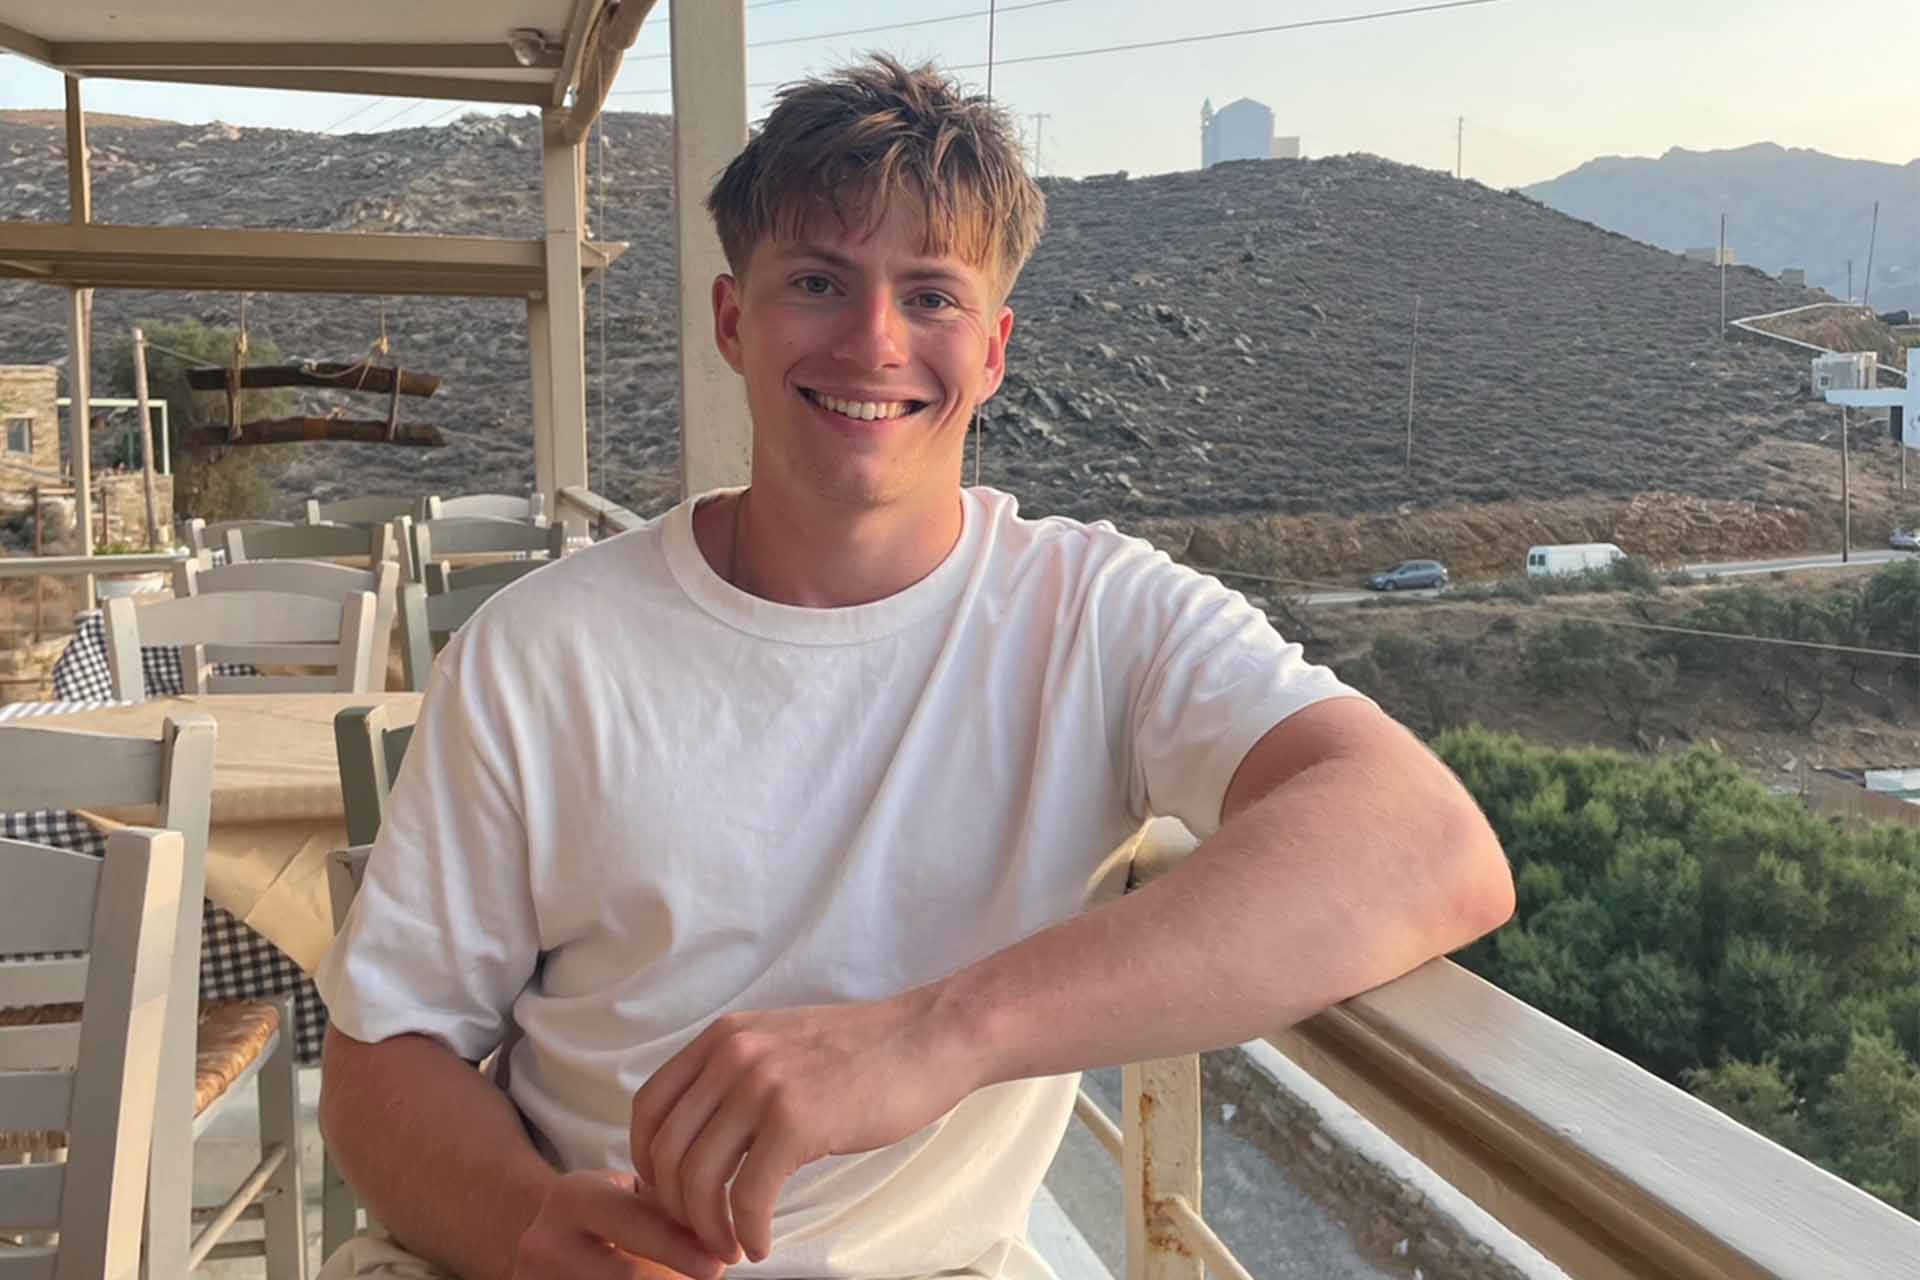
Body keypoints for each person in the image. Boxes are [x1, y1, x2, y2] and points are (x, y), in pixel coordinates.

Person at [316, 55, 1515, 1280]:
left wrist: (940, 1032)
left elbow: (1427, 843)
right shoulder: (539, 649)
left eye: (931, 296)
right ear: (734, 320)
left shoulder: (1094, 614)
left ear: (993, 351)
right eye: (818, 281)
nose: (875, 340)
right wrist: (533, 1233)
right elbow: (380, 1059)